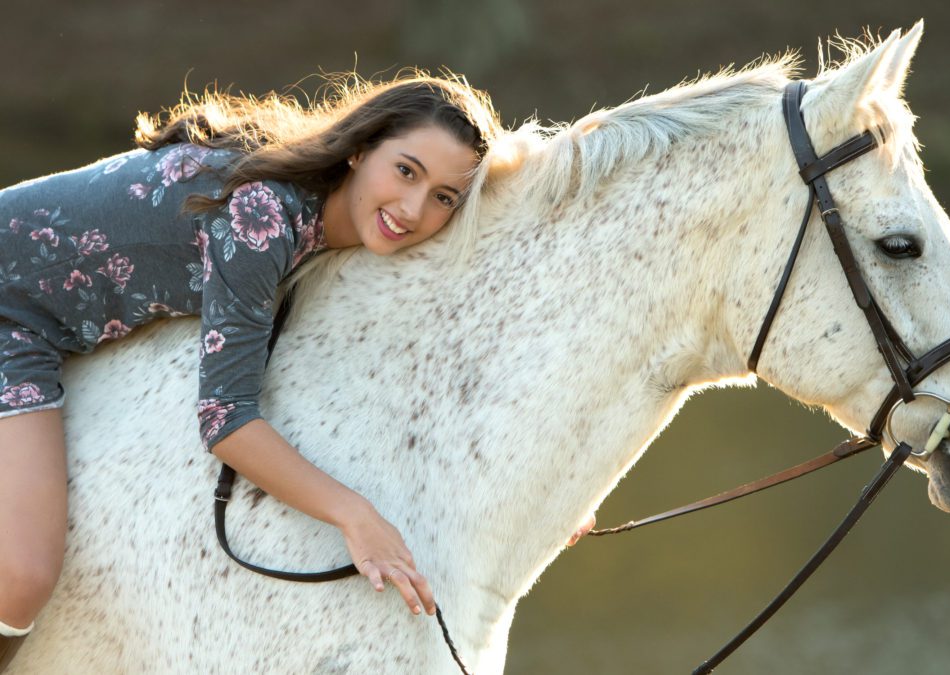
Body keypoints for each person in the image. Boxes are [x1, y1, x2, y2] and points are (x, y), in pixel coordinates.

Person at [0, 69, 566, 670]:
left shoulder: (323, 220)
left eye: (443, 198)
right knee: (25, 573)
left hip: (38, 324)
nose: (411, 208)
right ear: (359, 150)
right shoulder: (262, 217)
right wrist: (356, 516)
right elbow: (225, 421)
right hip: (12, 315)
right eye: (406, 171)